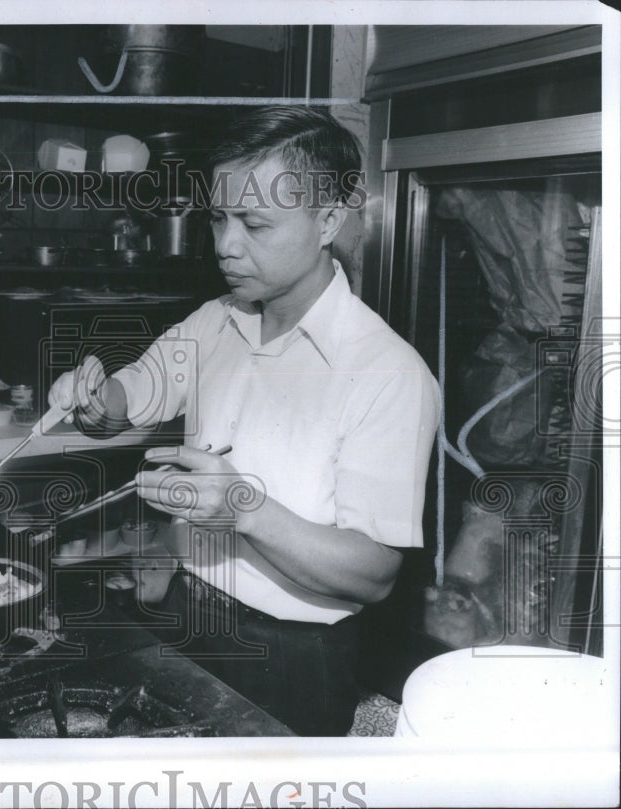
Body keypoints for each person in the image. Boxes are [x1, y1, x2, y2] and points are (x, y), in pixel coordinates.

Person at [48, 106, 440, 736]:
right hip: (179, 609)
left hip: (290, 657)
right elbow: (131, 396)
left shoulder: (388, 372)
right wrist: (95, 397)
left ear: (328, 220)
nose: (226, 245)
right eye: (218, 218)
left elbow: (374, 573)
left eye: (254, 223)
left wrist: (243, 508)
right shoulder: (216, 320)